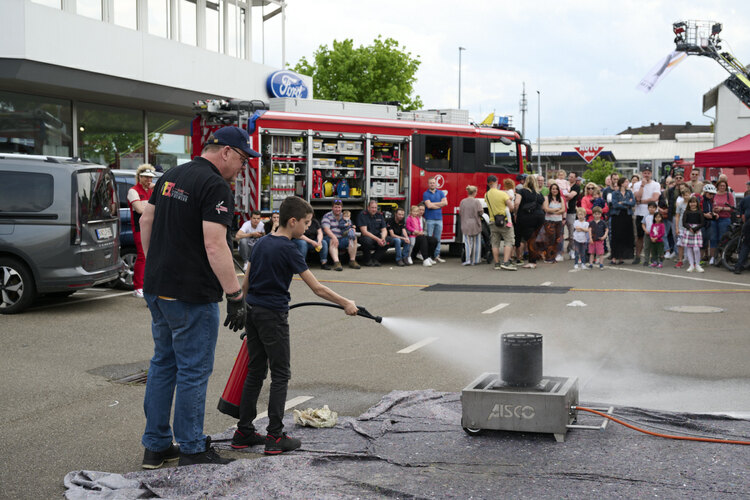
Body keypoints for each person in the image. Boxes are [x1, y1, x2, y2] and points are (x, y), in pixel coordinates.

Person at [139, 126, 257, 467]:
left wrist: (157, 264)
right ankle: (192, 447)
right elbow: (215, 244)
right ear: (226, 152)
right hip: (191, 294)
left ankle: (156, 446)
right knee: (193, 370)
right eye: (242, 159)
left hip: (158, 288)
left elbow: (147, 220)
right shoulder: (215, 185)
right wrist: (235, 295)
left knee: (163, 364)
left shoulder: (170, 175)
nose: (243, 167)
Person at [232, 196, 358, 455]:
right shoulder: (289, 249)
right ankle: (275, 436)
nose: (307, 227)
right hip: (273, 316)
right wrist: (346, 302)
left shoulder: (262, 242)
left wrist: (243, 307)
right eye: (306, 223)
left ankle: (243, 432)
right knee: (280, 374)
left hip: (253, 312)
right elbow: (317, 288)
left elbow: (246, 281)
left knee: (256, 371)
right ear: (292, 221)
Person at [126, 164, 156, 298]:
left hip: (153, 227)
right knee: (142, 256)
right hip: (140, 228)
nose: (149, 180)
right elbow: (139, 209)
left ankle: (148, 285)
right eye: (146, 177)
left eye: (151, 178)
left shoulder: (152, 190)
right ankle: (138, 287)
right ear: (139, 177)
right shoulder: (133, 191)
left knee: (152, 256)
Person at [485, 175, 516, 270]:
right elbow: (511, 207)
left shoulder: (486, 195)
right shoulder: (502, 194)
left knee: (495, 243)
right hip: (505, 221)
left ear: (488, 183)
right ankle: (506, 262)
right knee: (508, 241)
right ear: (496, 181)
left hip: (492, 221)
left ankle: (497, 263)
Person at [632, 166, 661, 265]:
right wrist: (642, 186)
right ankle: (638, 256)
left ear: (651, 174)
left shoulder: (656, 184)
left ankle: (653, 257)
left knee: (653, 236)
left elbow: (655, 198)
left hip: (653, 214)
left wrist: (641, 202)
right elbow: (637, 197)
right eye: (645, 173)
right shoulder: (637, 184)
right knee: (639, 236)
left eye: (648, 173)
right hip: (640, 213)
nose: (646, 175)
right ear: (642, 174)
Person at [515, 175, 546, 269]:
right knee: (534, 238)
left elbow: (517, 203)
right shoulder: (539, 194)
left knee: (530, 239)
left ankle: (532, 262)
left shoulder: (521, 191)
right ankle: (535, 257)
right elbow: (544, 207)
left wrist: (515, 213)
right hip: (540, 217)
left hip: (527, 217)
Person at [321, 199, 360, 271]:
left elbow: (350, 225)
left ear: (341, 208)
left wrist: (352, 229)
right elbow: (326, 229)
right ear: (332, 207)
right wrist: (334, 237)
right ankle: (336, 263)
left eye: (339, 207)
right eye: (335, 207)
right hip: (330, 237)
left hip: (342, 238)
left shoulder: (345, 215)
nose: (337, 209)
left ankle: (352, 261)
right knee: (333, 239)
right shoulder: (327, 216)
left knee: (353, 237)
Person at [609, 177, 635, 265]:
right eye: (626, 181)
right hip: (617, 216)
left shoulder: (629, 192)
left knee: (625, 237)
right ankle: (614, 257)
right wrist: (627, 204)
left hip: (627, 216)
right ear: (622, 183)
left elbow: (633, 203)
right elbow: (615, 205)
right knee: (616, 236)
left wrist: (623, 202)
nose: (628, 183)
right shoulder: (615, 193)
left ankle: (621, 257)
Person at [422, 177, 448, 263]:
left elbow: (446, 203)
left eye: (433, 183)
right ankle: (429, 257)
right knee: (429, 239)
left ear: (436, 184)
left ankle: (436, 256)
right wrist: (440, 205)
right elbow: (428, 206)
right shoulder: (425, 194)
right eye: (430, 183)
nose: (432, 184)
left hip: (439, 219)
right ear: (428, 184)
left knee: (438, 239)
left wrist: (433, 204)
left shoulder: (440, 192)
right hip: (429, 219)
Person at [710, 179, 735, 265]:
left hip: (725, 219)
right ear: (717, 186)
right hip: (714, 219)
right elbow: (710, 206)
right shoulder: (713, 195)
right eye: (720, 185)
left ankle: (722, 257)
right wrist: (713, 210)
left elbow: (732, 208)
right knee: (713, 238)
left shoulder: (729, 195)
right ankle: (713, 257)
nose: (722, 187)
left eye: (724, 186)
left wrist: (722, 208)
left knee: (723, 239)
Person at [357, 199, 388, 266]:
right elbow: (364, 232)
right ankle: (367, 260)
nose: (374, 209)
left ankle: (375, 259)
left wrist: (383, 238)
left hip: (377, 237)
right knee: (367, 241)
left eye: (375, 208)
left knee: (388, 241)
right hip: (367, 237)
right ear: (368, 208)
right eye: (372, 208)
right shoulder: (363, 215)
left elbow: (384, 229)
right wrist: (378, 239)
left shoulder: (379, 215)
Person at [541, 181, 565, 263]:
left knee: (556, 240)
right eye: (553, 189)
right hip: (549, 221)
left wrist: (553, 211)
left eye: (556, 189)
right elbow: (546, 209)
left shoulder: (561, 198)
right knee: (550, 239)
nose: (555, 190)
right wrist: (557, 210)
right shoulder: (546, 198)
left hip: (558, 221)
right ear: (550, 190)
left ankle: (553, 256)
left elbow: (563, 209)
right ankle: (548, 258)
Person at [459, 185, 484, 265]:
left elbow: (460, 212)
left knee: (467, 243)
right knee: (476, 243)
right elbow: (481, 212)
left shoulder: (462, 201)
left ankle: (468, 259)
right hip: (475, 224)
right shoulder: (477, 202)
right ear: (474, 192)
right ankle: (475, 260)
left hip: (465, 224)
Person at [681, 195, 705, 272]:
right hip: (689, 231)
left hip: (697, 231)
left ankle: (697, 264)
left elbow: (702, 223)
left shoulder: (700, 212)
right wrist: (689, 228)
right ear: (689, 203)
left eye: (694, 202)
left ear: (697, 203)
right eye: (691, 202)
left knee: (696, 249)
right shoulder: (686, 212)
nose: (692, 204)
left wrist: (696, 228)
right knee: (689, 248)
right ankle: (691, 265)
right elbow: (684, 223)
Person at [673, 184, 693, 269]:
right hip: (681, 227)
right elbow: (677, 216)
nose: (686, 196)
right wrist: (677, 227)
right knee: (680, 245)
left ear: (690, 194)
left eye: (687, 195)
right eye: (684, 195)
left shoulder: (693, 204)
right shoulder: (680, 204)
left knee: (691, 245)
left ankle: (692, 262)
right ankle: (680, 261)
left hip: (691, 227)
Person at [733, 182, 750, 274]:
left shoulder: (745, 199)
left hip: (748, 224)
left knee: (746, 245)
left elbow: (740, 214)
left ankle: (738, 267)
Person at [564, 171, 581, 259]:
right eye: (569, 176)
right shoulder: (564, 184)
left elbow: (570, 196)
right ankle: (560, 251)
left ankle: (572, 250)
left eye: (572, 177)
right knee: (560, 233)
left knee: (571, 233)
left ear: (575, 178)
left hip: (571, 211)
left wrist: (562, 198)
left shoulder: (576, 187)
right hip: (562, 211)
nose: (569, 178)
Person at [640, 202, 658, 267]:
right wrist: (645, 230)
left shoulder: (657, 216)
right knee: (647, 247)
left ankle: (654, 260)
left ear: (655, 208)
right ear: (648, 208)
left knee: (654, 247)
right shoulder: (646, 216)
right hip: (647, 234)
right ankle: (646, 260)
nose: (651, 209)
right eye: (650, 207)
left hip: (655, 234)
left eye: (653, 207)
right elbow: (643, 224)